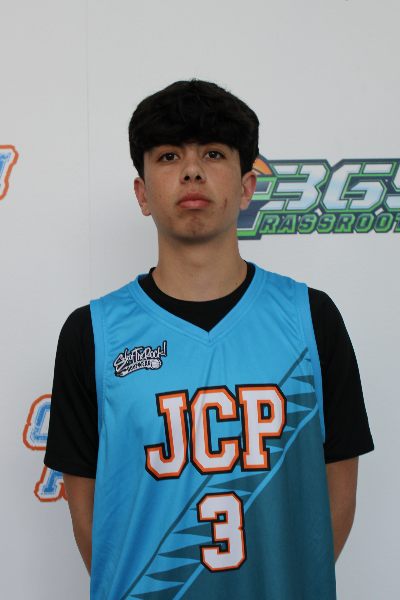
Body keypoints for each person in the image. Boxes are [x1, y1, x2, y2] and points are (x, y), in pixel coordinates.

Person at [45, 79, 374, 600]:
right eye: (169, 155)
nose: (192, 171)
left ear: (246, 187)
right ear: (142, 193)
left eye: (214, 153)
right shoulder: (92, 334)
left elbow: (337, 492)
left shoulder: (311, 319)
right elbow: (90, 517)